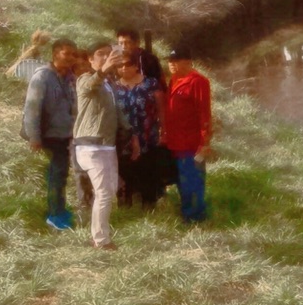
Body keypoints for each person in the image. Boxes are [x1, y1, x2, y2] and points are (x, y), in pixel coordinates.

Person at [71, 42, 126, 249]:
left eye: (108, 54)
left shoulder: (109, 84)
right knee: (104, 192)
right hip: (90, 145)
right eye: (100, 54)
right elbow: (91, 83)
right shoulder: (85, 79)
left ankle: (98, 234)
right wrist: (102, 71)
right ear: (90, 60)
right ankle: (101, 240)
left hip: (106, 145)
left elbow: (116, 111)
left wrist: (132, 133)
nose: (105, 57)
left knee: (108, 191)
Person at [21, 38, 79, 230]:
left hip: (65, 134)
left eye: (73, 54)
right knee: (56, 175)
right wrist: (34, 137)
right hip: (49, 135)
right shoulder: (42, 77)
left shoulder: (70, 77)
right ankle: (54, 216)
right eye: (66, 53)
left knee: (61, 174)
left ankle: (59, 210)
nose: (71, 58)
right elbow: (32, 108)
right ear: (55, 54)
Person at [162, 45, 212, 224]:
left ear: (188, 62)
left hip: (192, 142)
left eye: (177, 61)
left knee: (193, 179)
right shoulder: (174, 80)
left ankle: (195, 216)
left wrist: (205, 140)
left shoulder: (198, 81)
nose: (173, 65)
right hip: (175, 141)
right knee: (181, 179)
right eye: (170, 61)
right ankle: (187, 211)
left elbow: (204, 112)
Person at [111, 52, 167, 208]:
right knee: (125, 171)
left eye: (127, 65)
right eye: (119, 66)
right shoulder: (114, 87)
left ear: (136, 66)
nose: (123, 68)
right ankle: (126, 205)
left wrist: (164, 131)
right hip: (124, 138)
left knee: (148, 170)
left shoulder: (151, 84)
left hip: (148, 135)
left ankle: (149, 204)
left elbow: (161, 108)